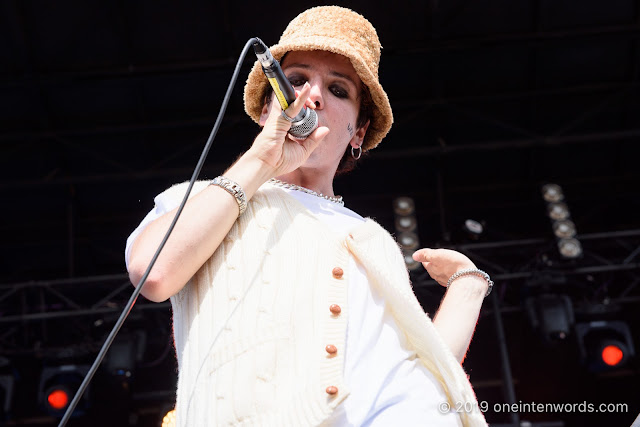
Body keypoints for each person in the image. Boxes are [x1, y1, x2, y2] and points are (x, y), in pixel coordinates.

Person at [126, 6, 490, 427]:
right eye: (296, 81)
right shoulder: (205, 199)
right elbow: (153, 272)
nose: (312, 96)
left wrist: (468, 287)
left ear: (357, 131)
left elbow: (424, 375)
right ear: (267, 110)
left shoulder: (372, 238)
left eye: (338, 90)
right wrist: (264, 158)